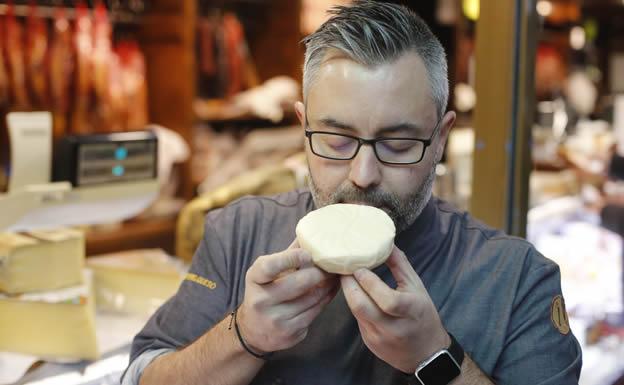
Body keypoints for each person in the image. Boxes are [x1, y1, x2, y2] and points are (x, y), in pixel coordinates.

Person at [123, 2, 582, 384]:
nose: (362, 174)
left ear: (440, 138)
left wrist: (436, 358)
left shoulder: (517, 279)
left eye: (398, 144)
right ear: (303, 126)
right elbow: (142, 375)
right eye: (336, 141)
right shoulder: (240, 232)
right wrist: (244, 336)